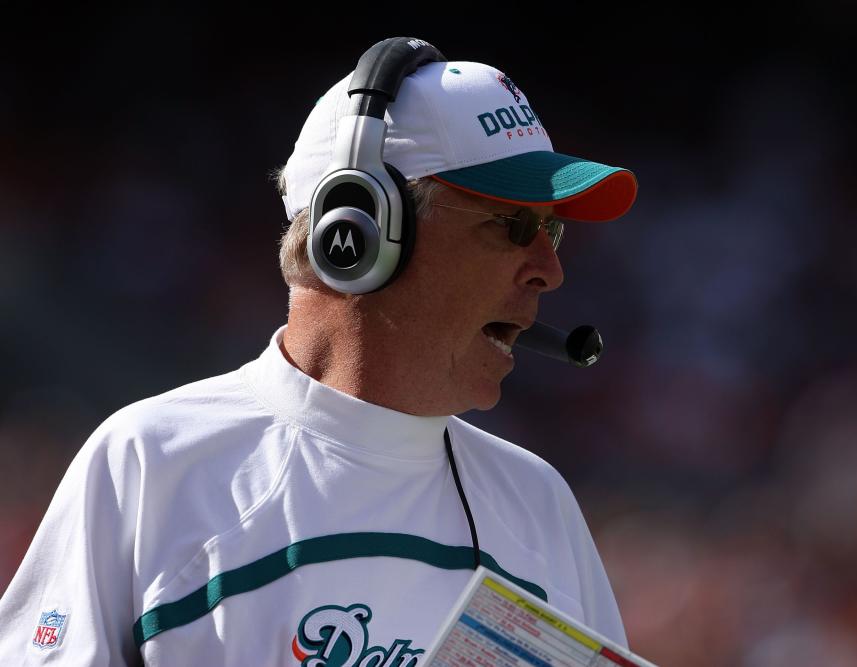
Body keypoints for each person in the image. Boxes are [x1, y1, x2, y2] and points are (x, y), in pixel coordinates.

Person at [0, 38, 639, 666]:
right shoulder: (150, 460)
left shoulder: (538, 500)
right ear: (360, 232)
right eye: (514, 225)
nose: (549, 271)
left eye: (551, 228)